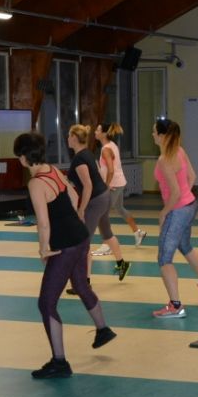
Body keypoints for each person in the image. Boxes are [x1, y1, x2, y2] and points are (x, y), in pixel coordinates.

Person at [14, 132, 116, 379]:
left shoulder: (36, 183)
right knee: (80, 285)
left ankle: (59, 362)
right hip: (80, 237)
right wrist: (74, 217)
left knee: (46, 303)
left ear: (24, 158)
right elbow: (73, 195)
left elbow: (43, 223)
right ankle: (103, 329)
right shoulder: (53, 170)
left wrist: (43, 249)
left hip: (66, 246)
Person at [152, 118, 198, 317]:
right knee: (185, 245)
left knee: (164, 258)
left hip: (178, 210)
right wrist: (183, 199)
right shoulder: (180, 151)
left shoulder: (164, 159)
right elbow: (192, 178)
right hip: (190, 206)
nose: (152, 135)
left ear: (162, 135)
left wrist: (164, 213)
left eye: (154, 132)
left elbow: (175, 193)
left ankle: (176, 306)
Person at [66, 124, 130, 290]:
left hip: (96, 200)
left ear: (75, 138)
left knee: (83, 240)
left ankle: (84, 282)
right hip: (103, 197)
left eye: (69, 135)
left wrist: (81, 210)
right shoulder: (88, 153)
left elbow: (87, 186)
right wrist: (105, 188)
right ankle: (121, 264)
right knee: (106, 233)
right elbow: (98, 174)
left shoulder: (80, 159)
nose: (67, 138)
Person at [92, 123, 146, 254]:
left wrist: (106, 186)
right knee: (120, 209)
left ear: (104, 133)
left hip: (114, 185)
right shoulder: (112, 145)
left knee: (102, 215)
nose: (95, 132)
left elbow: (111, 170)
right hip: (119, 182)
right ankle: (138, 232)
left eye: (98, 130)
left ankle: (107, 245)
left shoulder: (106, 149)